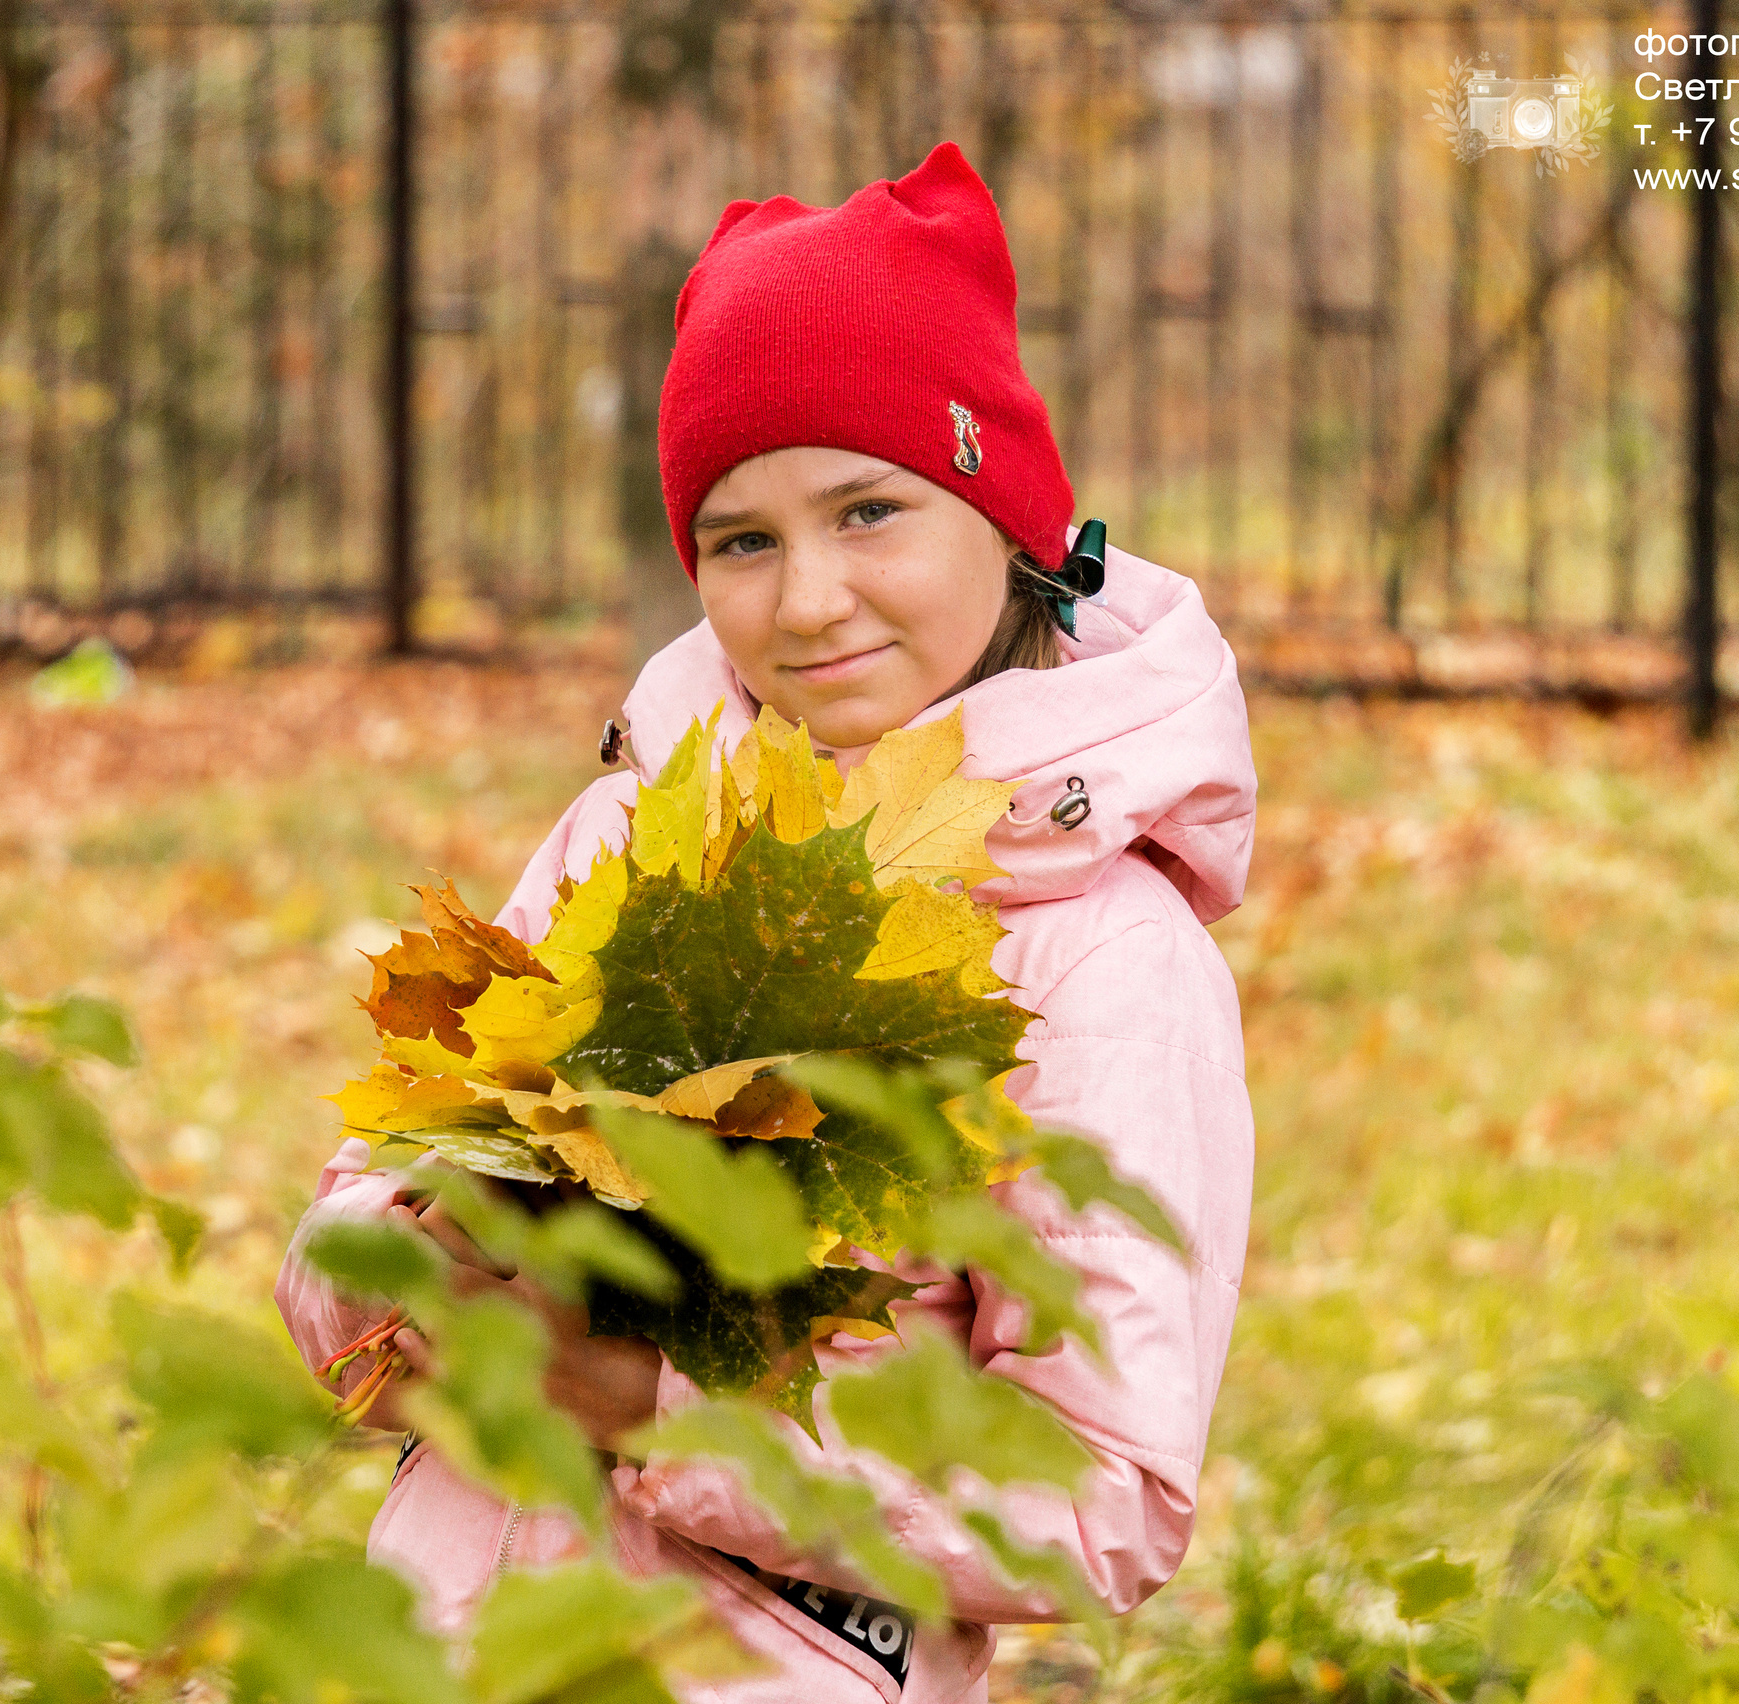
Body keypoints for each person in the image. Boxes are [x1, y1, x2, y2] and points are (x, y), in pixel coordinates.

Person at [276, 140, 1256, 1704]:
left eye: (869, 513)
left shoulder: (1100, 952)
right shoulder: (624, 840)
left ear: (1007, 521)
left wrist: (656, 1408)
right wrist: (403, 1263)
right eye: (744, 540)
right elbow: (346, 1246)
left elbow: (1104, 1500)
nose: (805, 602)